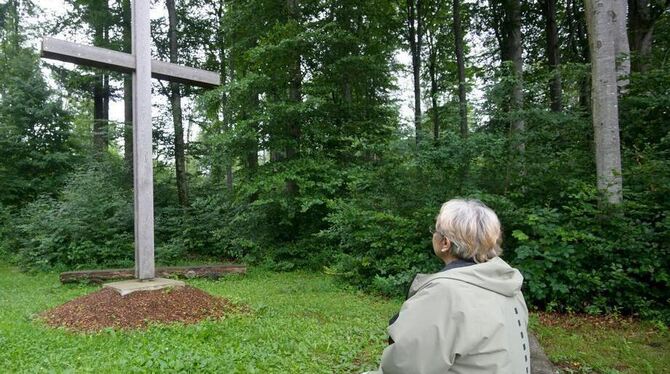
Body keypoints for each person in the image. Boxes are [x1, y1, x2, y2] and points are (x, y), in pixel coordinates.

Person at [365, 199, 530, 374]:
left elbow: (402, 368)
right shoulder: (509, 286)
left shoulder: (445, 293)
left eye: (435, 231)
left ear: (445, 243)